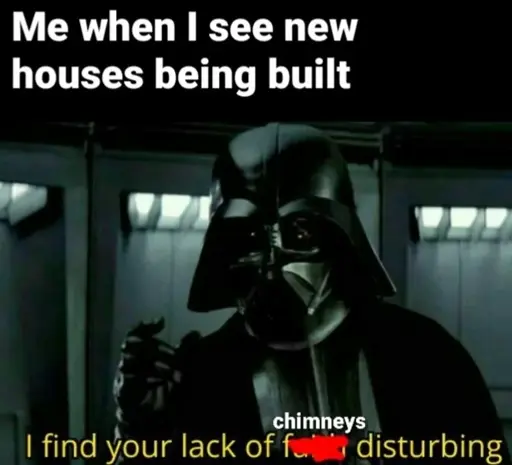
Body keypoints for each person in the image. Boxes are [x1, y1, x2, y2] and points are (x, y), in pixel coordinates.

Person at [113, 123, 511, 464]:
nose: (271, 262)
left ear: (339, 236)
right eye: (248, 237)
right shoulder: (202, 376)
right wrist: (139, 432)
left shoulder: (424, 359)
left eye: (299, 232)